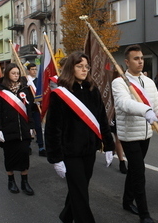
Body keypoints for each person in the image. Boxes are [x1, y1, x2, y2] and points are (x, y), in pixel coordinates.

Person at [45, 51, 114, 223]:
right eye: (79, 66)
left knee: (79, 189)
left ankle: (66, 216)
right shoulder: (61, 94)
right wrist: (56, 158)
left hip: (89, 150)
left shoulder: (93, 90)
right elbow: (53, 129)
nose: (84, 70)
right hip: (71, 153)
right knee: (81, 193)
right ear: (71, 68)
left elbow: (102, 119)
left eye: (86, 67)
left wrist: (109, 145)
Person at [111, 44, 158, 223]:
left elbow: (157, 106)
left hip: (146, 133)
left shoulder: (148, 82)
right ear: (127, 62)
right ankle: (144, 214)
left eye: (141, 58)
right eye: (136, 59)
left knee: (134, 169)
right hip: (129, 134)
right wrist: (144, 110)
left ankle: (127, 200)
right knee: (139, 173)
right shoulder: (119, 82)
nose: (140, 62)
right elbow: (124, 103)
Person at [0, 63, 35, 195]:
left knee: (24, 154)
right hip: (7, 129)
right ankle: (11, 180)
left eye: (17, 73)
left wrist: (32, 126)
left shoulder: (24, 89)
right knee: (9, 156)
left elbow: (29, 109)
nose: (16, 76)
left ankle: (24, 181)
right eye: (13, 73)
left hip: (23, 129)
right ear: (7, 74)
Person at [26, 63, 46, 157]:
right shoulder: (25, 81)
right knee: (29, 128)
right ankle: (28, 146)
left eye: (35, 69)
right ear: (28, 70)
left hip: (37, 108)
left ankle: (41, 148)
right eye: (32, 69)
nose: (34, 71)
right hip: (28, 108)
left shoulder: (39, 81)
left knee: (38, 127)